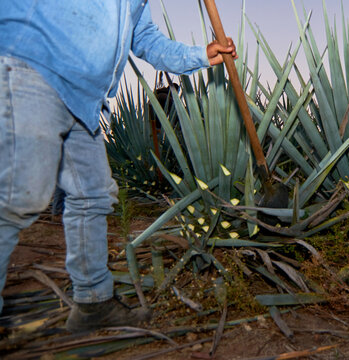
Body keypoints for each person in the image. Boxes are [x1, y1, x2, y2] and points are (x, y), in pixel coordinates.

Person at [0, 0, 237, 332]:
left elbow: (145, 39)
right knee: (15, 198)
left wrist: (200, 55)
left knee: (93, 196)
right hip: (32, 69)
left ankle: (93, 303)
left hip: (86, 101)